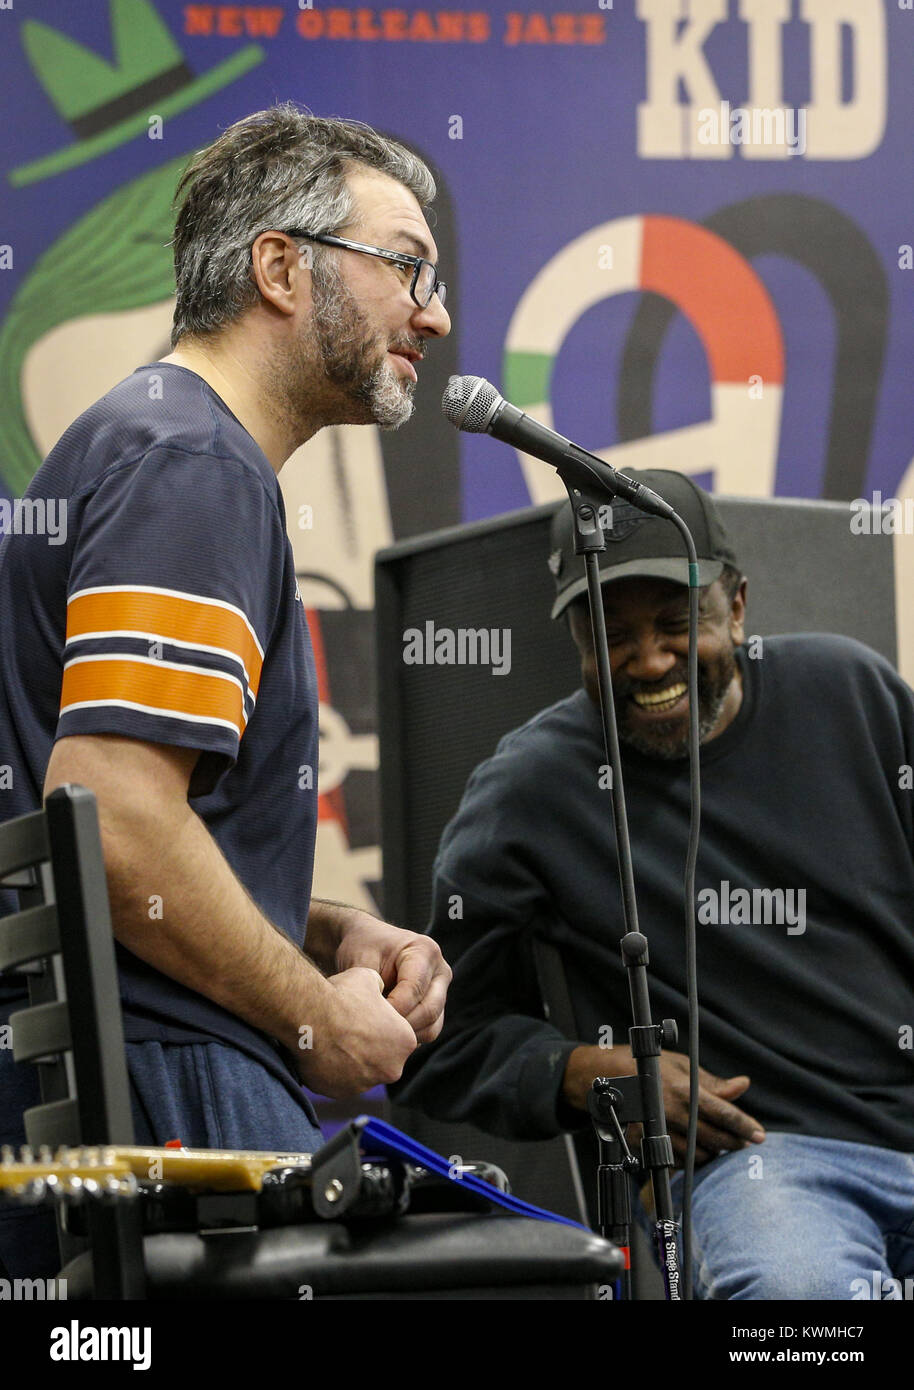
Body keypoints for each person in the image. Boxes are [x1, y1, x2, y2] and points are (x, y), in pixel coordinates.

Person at [0, 105, 452, 1278]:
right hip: (169, 1084)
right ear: (280, 267)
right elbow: (110, 822)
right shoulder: (193, 463)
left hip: (125, 1077)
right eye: (405, 264)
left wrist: (322, 923)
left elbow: (129, 825)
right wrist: (311, 1008)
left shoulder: (155, 446)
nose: (434, 313)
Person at [393, 469, 914, 1300]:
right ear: (575, 641)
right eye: (612, 634)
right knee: (797, 1307)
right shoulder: (531, 791)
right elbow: (430, 1040)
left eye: (678, 624)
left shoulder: (853, 695)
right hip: (759, 1166)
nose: (651, 660)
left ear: (736, 607)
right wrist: (597, 1073)